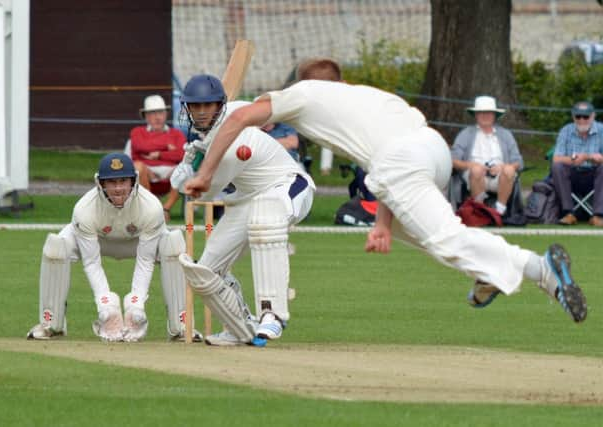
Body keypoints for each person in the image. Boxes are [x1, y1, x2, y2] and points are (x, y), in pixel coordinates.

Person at [184, 57, 588, 326]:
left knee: (446, 238)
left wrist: (204, 172)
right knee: (433, 237)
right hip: (432, 152)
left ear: (304, 81)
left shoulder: (303, 92)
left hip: (402, 160)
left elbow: (237, 116)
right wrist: (382, 223)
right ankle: (493, 271)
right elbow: (389, 163)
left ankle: (540, 269)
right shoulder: (370, 98)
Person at [170, 74, 315, 346]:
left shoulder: (233, 144)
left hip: (288, 187)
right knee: (206, 273)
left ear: (220, 105)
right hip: (247, 200)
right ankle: (241, 328)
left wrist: (195, 167)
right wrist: (191, 159)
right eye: (196, 106)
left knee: (265, 216)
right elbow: (184, 186)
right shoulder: (215, 132)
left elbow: (205, 193)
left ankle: (272, 314)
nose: (201, 113)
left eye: (208, 106)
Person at [27, 152, 200, 342]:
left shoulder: (151, 207)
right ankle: (50, 324)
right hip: (99, 241)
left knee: (174, 245)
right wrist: (106, 304)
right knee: (55, 248)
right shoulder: (84, 209)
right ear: (100, 184)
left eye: (123, 181)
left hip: (136, 243)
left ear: (133, 181)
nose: (118, 189)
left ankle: (182, 326)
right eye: (112, 182)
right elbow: (91, 262)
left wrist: (136, 304)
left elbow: (146, 260)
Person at [451, 96, 523, 217]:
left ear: (495, 115)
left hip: (500, 176)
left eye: (488, 113)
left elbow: (518, 161)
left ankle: (500, 211)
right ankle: (480, 210)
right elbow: (453, 160)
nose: (485, 116)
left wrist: (503, 166)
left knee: (509, 169)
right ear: (476, 115)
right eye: (481, 113)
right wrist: (471, 165)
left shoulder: (506, 135)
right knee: (477, 170)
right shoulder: (465, 134)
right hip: (474, 176)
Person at [130, 95, 187, 222]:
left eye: (160, 112)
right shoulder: (137, 132)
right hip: (147, 173)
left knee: (184, 168)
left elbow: (182, 154)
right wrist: (167, 146)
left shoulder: (177, 134)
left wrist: (159, 154)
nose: (157, 117)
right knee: (137, 167)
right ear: (145, 116)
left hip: (171, 173)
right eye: (152, 113)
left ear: (166, 114)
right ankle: (152, 209)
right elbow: (140, 146)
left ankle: (165, 209)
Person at [551, 101, 603, 226]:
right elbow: (556, 158)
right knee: (557, 167)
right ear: (573, 116)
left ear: (593, 116)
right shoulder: (566, 130)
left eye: (585, 116)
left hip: (595, 175)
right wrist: (573, 160)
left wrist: (588, 157)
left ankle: (598, 215)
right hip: (572, 174)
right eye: (578, 116)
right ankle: (568, 213)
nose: (581, 120)